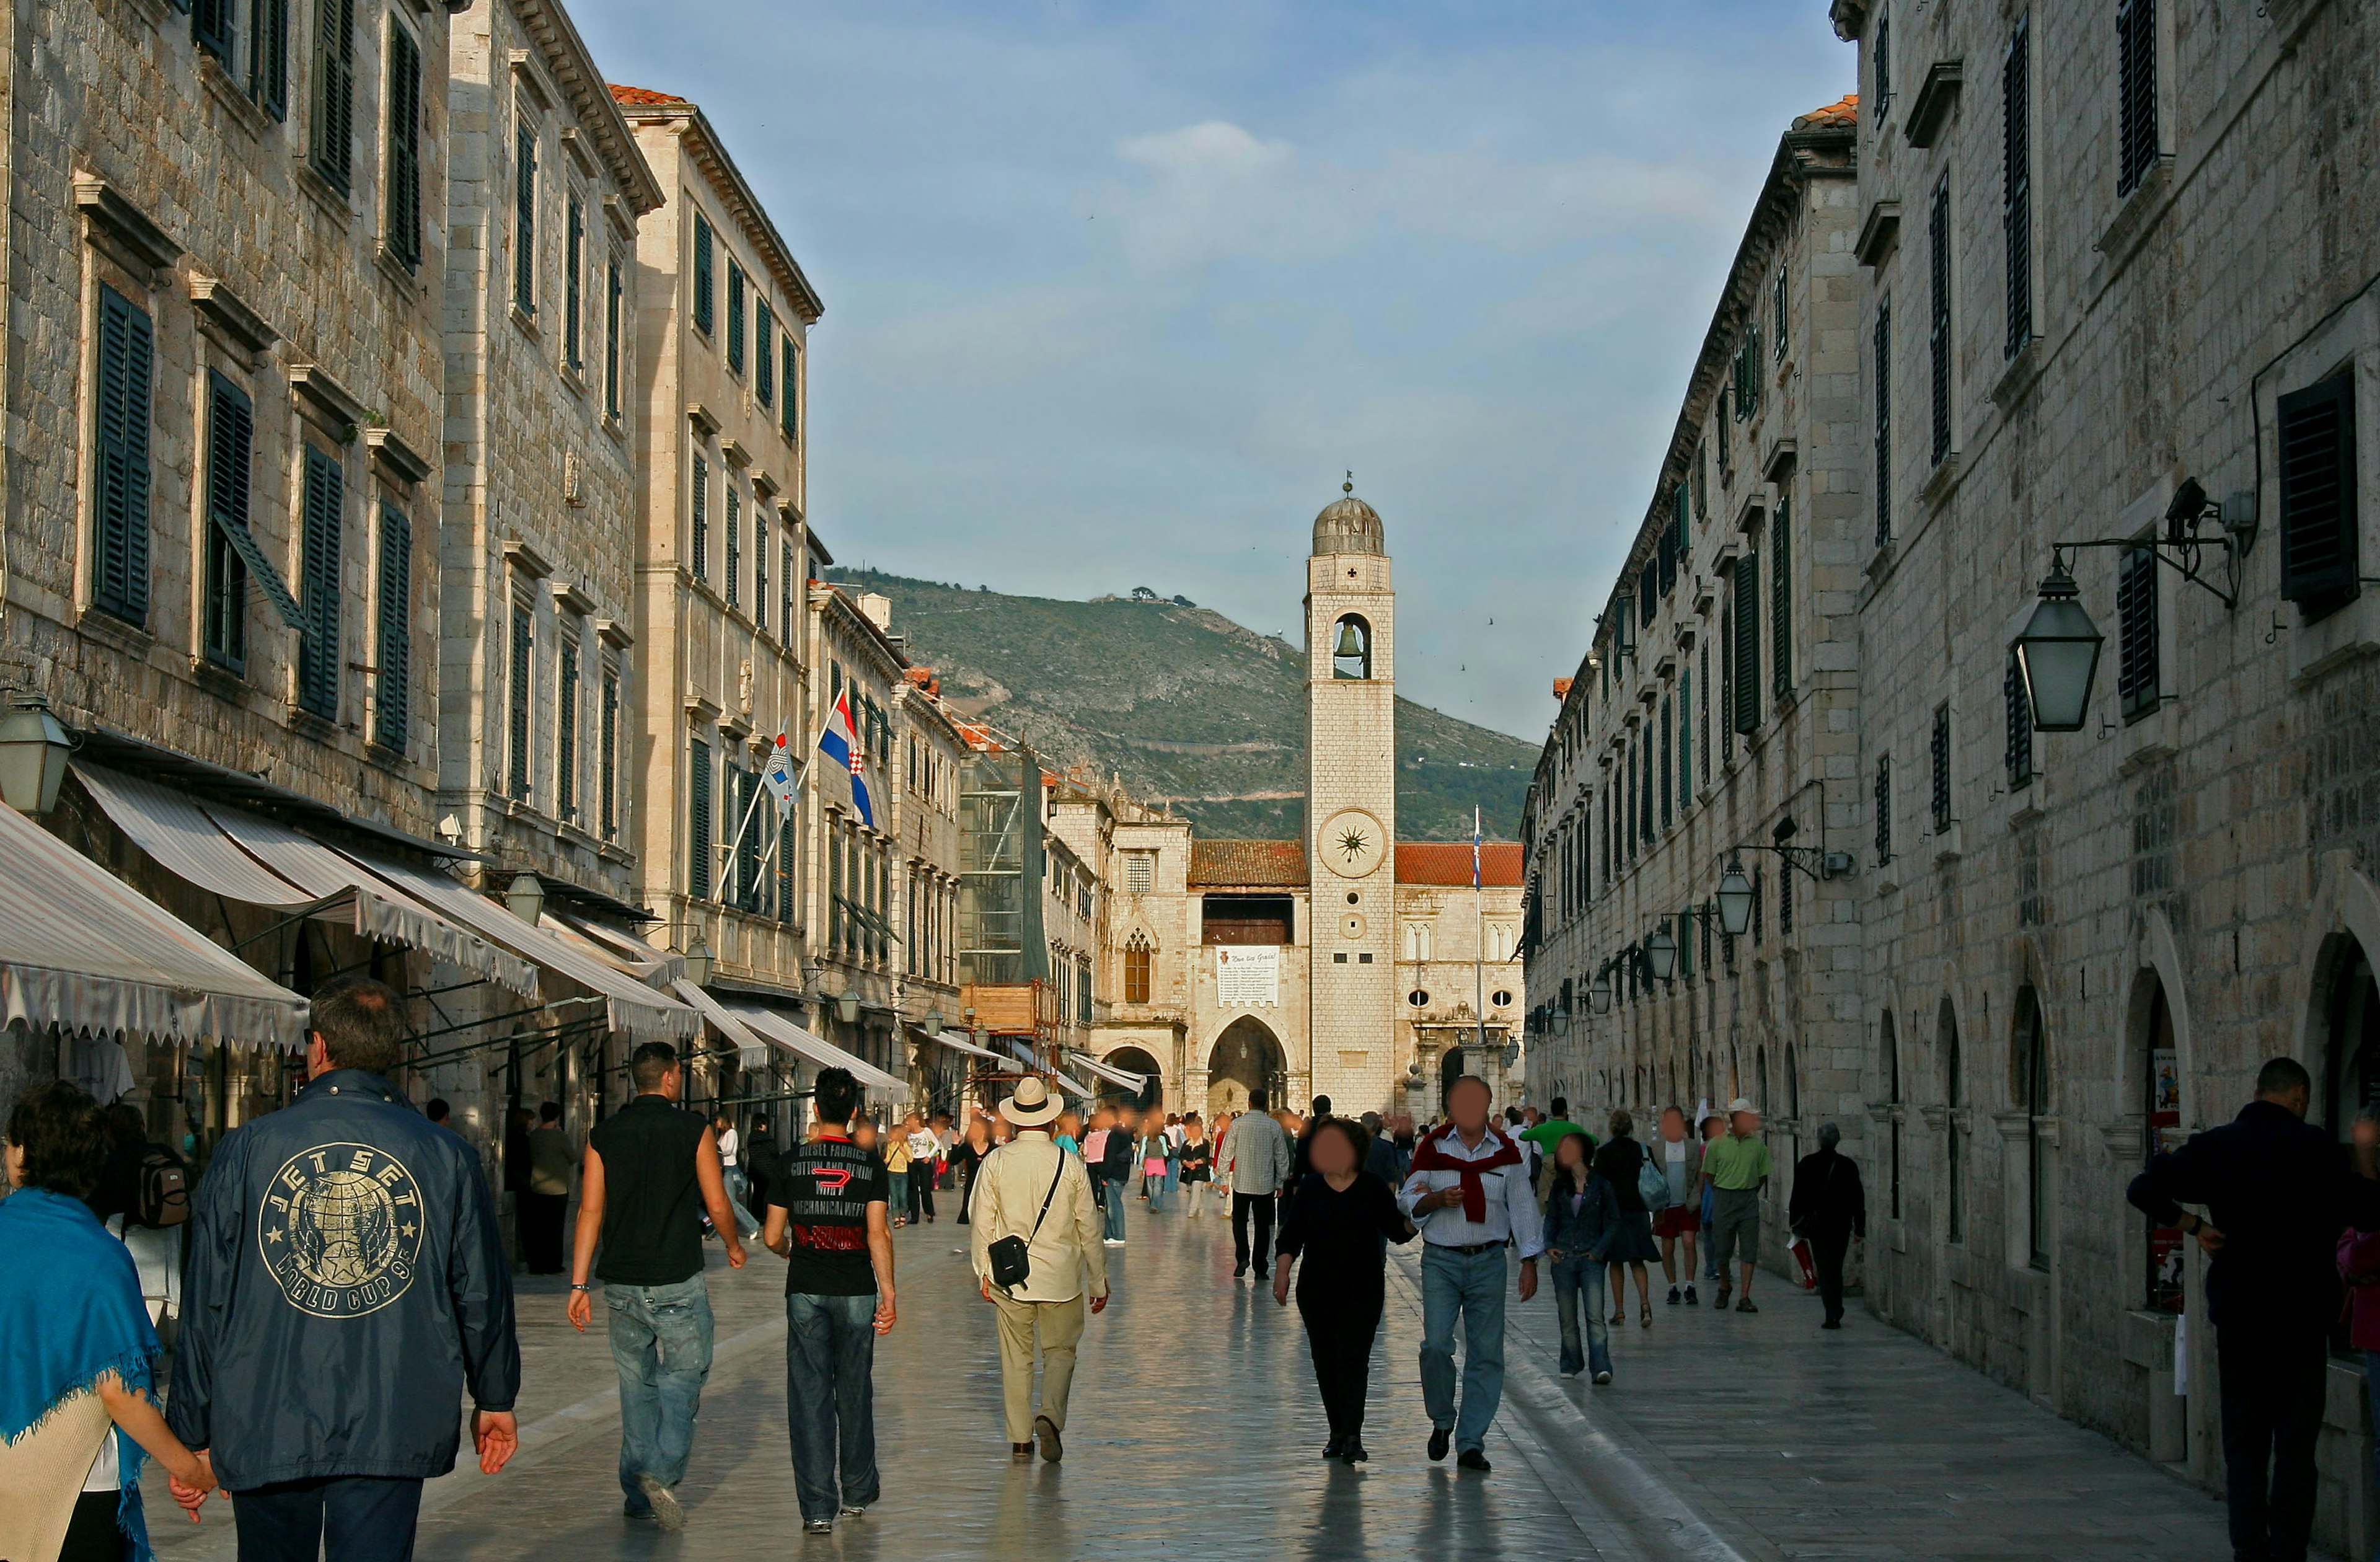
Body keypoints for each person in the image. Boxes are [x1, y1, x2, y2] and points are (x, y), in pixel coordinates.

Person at [165, 977, 519, 1560]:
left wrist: (192, 1433)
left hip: (265, 1407)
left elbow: (207, 1299)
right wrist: (496, 1395)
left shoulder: (248, 1147)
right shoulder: (445, 1155)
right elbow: (479, 1290)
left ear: (320, 1048)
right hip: (392, 1406)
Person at [2128, 1057, 2380, 1562]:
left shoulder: (2220, 1146)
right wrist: (2368, 1156)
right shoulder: (2316, 1150)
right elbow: (2368, 1209)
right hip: (2301, 1321)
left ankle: (2249, 1550)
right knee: (2295, 1446)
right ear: (2300, 1097)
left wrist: (2196, 1228)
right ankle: (2288, 1551)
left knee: (2245, 1444)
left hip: (2240, 1316)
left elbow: (2143, 1188)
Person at [2, 1081, 218, 1562]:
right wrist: (189, 1467)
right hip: (75, 1485)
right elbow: (119, 1391)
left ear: (22, 1154)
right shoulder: (100, 1256)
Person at [568, 1041, 747, 1533]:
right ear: (671, 1077)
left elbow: (590, 1210)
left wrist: (579, 1282)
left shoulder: (603, 1134)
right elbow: (717, 1201)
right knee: (686, 1374)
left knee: (636, 1384)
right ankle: (661, 1471)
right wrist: (733, 1245)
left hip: (622, 1280)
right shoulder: (693, 1129)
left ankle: (636, 1493)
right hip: (676, 1276)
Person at [762, 1067, 896, 1535]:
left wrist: (789, 1251)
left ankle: (817, 1507)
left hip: (806, 1289)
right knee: (855, 1390)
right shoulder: (870, 1166)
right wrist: (890, 1292)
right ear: (855, 1112)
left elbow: (772, 1235)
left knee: (809, 1395)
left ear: (816, 1110)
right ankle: (857, 1492)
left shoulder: (790, 1163)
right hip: (858, 1289)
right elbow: (878, 1232)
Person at [1399, 1075, 1542, 1472]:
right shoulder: (1433, 1148)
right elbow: (1408, 1198)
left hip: (1489, 1260)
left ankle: (1471, 1441)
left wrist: (1530, 1260)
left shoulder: (1508, 1153)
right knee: (1435, 1345)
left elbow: (1523, 1205)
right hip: (1442, 1260)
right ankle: (1442, 1418)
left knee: (1486, 1354)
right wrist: (1435, 1199)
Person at [969, 1077, 1109, 1461]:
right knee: (1061, 1351)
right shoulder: (1070, 1163)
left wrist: (983, 1269)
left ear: (1015, 1122)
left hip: (1010, 1277)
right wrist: (1098, 1280)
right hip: (1061, 1276)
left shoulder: (996, 1161)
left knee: (1016, 1358)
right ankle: (1050, 1415)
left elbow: (981, 1220)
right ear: (1050, 1121)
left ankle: (1019, 1438)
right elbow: (1089, 1227)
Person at [1272, 1116, 1417, 1462]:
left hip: (1362, 1289)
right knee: (1325, 1362)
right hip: (1317, 1290)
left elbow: (1397, 1231)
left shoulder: (1372, 1187)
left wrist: (1426, 1213)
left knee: (1354, 1361)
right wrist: (1282, 1274)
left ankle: (1353, 1435)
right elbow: (1291, 1236)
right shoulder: (1311, 1188)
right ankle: (1337, 1431)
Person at [1542, 1131, 1621, 1382]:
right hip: (1564, 1257)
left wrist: (1598, 1251)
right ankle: (1571, 1362)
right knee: (1567, 1316)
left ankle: (1601, 1366)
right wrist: (1548, 1245)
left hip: (1590, 1258)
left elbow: (1613, 1221)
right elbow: (1551, 1217)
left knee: (1595, 1315)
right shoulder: (1560, 1185)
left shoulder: (1601, 1184)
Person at [1787, 1123, 1866, 1328]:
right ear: (1837, 1140)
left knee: (1824, 1267)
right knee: (1836, 1267)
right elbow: (1857, 1198)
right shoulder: (1848, 1166)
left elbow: (1797, 1196)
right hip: (1840, 1225)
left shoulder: (1807, 1164)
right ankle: (1835, 1308)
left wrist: (1795, 1224)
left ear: (1819, 1140)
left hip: (1817, 1227)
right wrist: (1860, 1227)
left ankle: (1831, 1312)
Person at [1593, 1109, 1660, 1329]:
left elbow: (1598, 1187)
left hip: (1614, 1214)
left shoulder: (1603, 1153)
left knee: (1616, 1262)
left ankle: (1620, 1311)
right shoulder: (1642, 1151)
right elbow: (1655, 1179)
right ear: (1631, 1127)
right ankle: (1645, 1304)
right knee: (1637, 1260)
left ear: (1612, 1128)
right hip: (1638, 1210)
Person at [1704, 1099, 1773, 1312]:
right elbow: (1709, 1174)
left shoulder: (1758, 1145)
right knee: (1722, 1250)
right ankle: (1724, 1287)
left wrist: (1749, 1189)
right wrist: (1724, 1192)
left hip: (1748, 1199)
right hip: (1724, 1198)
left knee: (1749, 1249)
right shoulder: (1716, 1144)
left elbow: (1763, 1174)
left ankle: (1745, 1296)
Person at [1222, 1088, 1294, 1280]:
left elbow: (1226, 1152)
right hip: (1265, 1185)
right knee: (1263, 1226)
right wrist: (1280, 1181)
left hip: (1242, 1183)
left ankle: (1242, 1257)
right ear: (1266, 1105)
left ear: (1249, 1103)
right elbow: (1282, 1157)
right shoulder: (1274, 1126)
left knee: (1239, 1221)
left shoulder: (1237, 1125)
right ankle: (1260, 1265)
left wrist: (1222, 1178)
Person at [1651, 1106, 1705, 1305]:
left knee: (1689, 1242)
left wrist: (1697, 1194)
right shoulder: (1656, 1147)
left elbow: (1700, 1171)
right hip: (1665, 1205)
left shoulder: (1692, 1146)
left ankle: (1690, 1285)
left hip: (1687, 1202)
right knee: (1667, 1246)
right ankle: (1672, 1286)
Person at [521, 1103, 573, 1274]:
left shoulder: (534, 1136)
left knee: (539, 1228)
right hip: (557, 1189)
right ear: (557, 1117)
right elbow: (572, 1157)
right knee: (555, 1229)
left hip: (537, 1187)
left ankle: (537, 1264)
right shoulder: (560, 1137)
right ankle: (553, 1264)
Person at [713, 1112, 759, 1242]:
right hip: (723, 1169)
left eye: (718, 1120)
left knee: (732, 1202)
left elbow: (728, 1150)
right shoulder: (723, 1135)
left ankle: (752, 1226)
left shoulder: (732, 1133)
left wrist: (716, 1149)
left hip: (730, 1169)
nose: (716, 1123)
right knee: (725, 1201)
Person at [1699, 1111, 1726, 1287]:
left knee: (1709, 1236)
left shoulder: (1701, 1148)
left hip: (1707, 1196)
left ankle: (1711, 1268)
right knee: (1723, 1236)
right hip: (1720, 1193)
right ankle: (1722, 1269)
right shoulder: (1723, 1147)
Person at [951, 1116, 992, 1225]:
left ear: (984, 1130)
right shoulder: (967, 1147)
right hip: (971, 1186)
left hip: (988, 1187)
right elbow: (953, 1161)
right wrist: (955, 1145)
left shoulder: (993, 1149)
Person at [902, 1113, 940, 1225]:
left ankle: (929, 1212)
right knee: (913, 1190)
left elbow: (936, 1143)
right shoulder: (907, 1134)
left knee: (925, 1189)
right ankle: (914, 1216)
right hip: (912, 1161)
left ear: (917, 1121)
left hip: (924, 1161)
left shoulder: (926, 1131)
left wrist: (929, 1156)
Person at [1178, 1116, 1213, 1217]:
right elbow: (1182, 1155)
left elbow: (1206, 1157)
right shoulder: (1187, 1143)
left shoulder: (1205, 1143)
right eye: (1194, 1131)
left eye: (1198, 1131)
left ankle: (1192, 1211)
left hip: (1200, 1171)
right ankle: (1201, 1208)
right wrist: (1186, 1163)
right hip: (1188, 1170)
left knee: (1196, 1189)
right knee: (1192, 1190)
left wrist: (1195, 1163)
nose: (1196, 1133)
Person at [1140, 1115, 1175, 1214]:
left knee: (1150, 1185)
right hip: (1159, 1162)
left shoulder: (1146, 1139)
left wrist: (1140, 1167)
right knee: (1158, 1185)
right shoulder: (1162, 1138)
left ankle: (1152, 1203)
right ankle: (1156, 1204)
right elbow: (1166, 1153)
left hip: (1149, 1163)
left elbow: (1142, 1153)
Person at [881, 1124, 913, 1229]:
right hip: (892, 1172)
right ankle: (896, 1218)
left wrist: (904, 1151)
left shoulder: (907, 1145)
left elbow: (910, 1159)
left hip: (903, 1173)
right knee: (894, 1195)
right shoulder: (891, 1144)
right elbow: (888, 1158)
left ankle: (903, 1213)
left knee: (902, 1195)